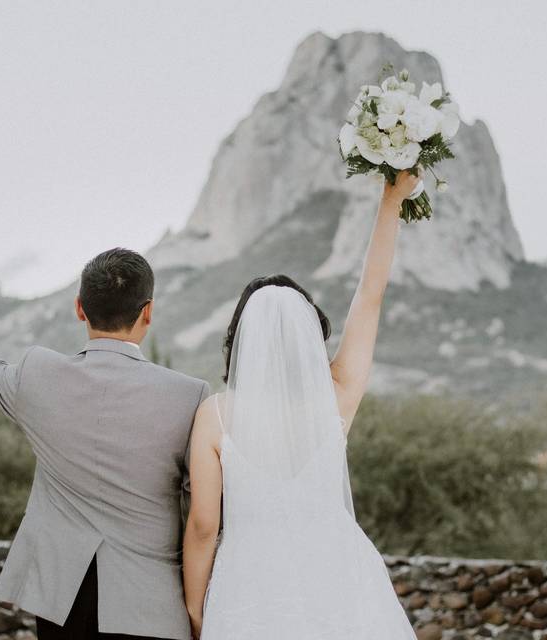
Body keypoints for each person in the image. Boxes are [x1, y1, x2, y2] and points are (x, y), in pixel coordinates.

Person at [182, 169, 422, 638]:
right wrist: (390, 202)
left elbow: (204, 525)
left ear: (239, 340)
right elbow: (370, 298)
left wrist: (196, 610)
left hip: (248, 588)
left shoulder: (214, 415)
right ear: (311, 336)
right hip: (340, 576)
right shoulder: (336, 396)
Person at [0, 246, 209, 640]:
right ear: (147, 312)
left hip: (64, 602)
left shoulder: (38, 377)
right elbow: (202, 511)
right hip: (153, 607)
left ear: (80, 308)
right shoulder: (189, 396)